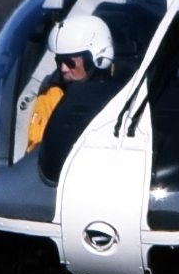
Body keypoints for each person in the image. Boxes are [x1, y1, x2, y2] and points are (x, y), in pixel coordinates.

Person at [26, 14, 120, 182]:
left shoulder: (123, 94)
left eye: (70, 62)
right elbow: (36, 151)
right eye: (59, 61)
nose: (63, 69)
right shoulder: (52, 97)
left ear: (95, 58)